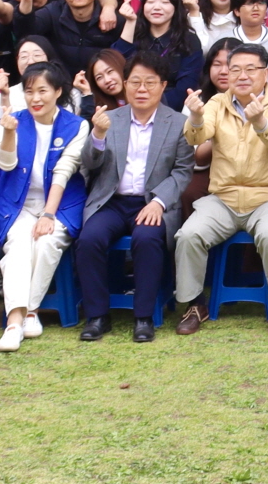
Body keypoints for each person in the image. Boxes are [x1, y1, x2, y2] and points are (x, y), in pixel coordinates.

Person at [171, 42, 268, 339]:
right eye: (235, 69)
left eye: (250, 69)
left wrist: (259, 121)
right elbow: (196, 138)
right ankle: (195, 304)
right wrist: (196, 116)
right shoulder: (217, 102)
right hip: (223, 198)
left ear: (266, 73)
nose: (242, 76)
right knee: (188, 235)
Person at [75, 54, 196, 343]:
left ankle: (143, 317)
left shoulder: (179, 123)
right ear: (126, 84)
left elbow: (182, 171)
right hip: (111, 201)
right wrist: (98, 135)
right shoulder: (110, 119)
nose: (142, 89)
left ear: (163, 86)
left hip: (152, 202)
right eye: (135, 82)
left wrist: (158, 202)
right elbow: (88, 165)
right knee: (89, 239)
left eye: (150, 83)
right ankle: (97, 316)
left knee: (147, 238)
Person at [0, 62, 87, 352]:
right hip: (16, 202)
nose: (35, 98)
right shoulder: (14, 119)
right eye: (29, 91)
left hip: (61, 202)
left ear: (57, 91)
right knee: (19, 244)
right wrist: (8, 133)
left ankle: (29, 311)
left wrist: (48, 214)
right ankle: (16, 322)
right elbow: (5, 164)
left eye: (43, 91)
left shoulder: (77, 125)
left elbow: (64, 171)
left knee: (45, 242)